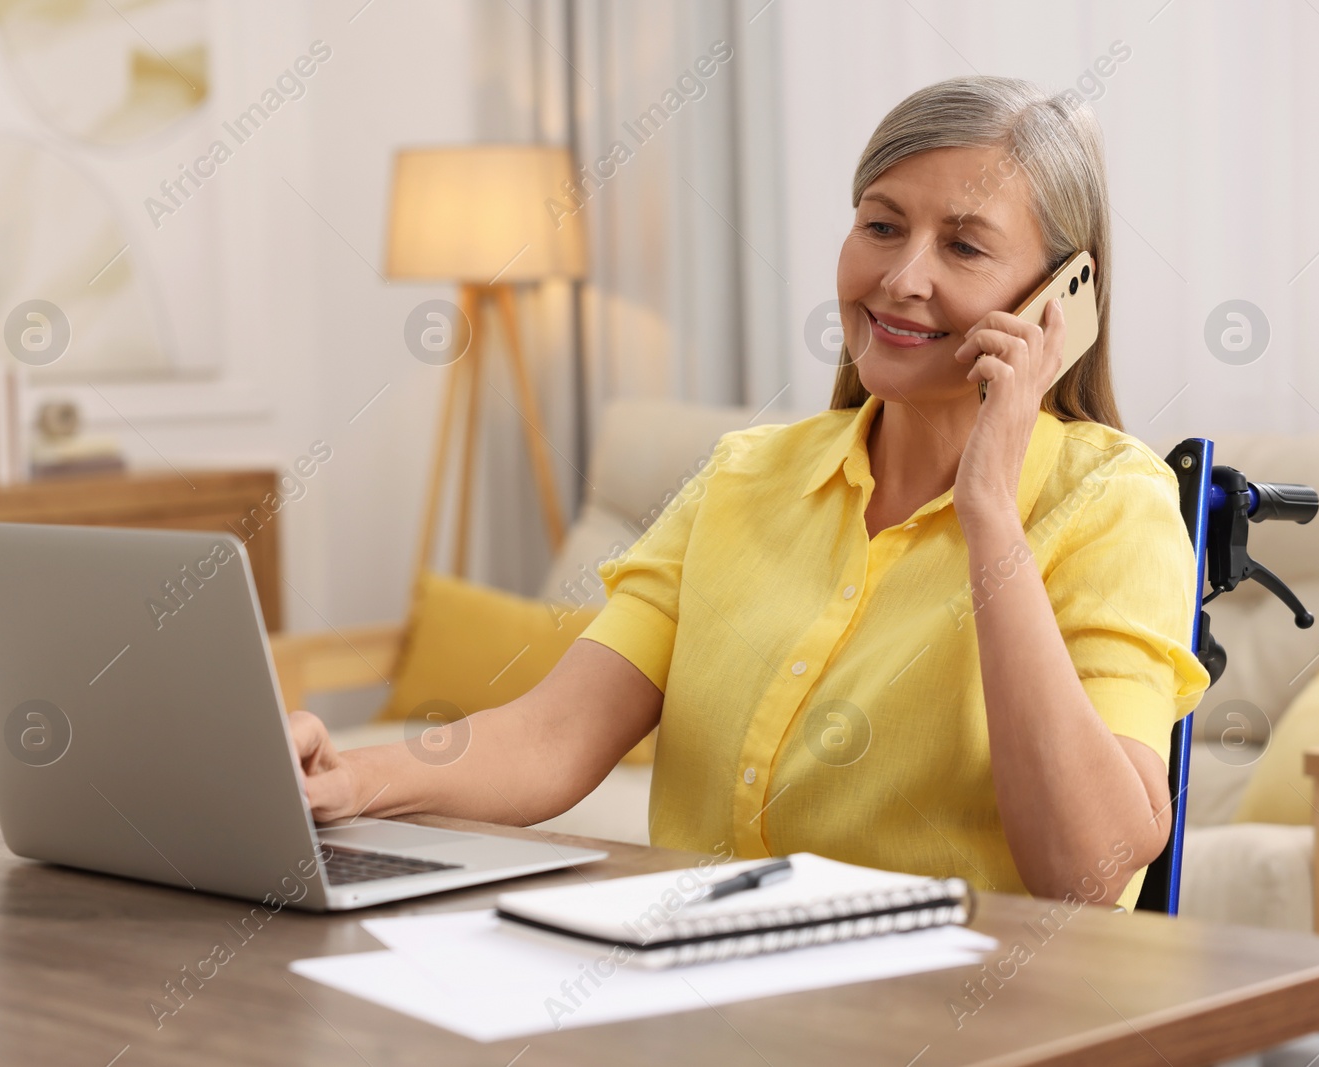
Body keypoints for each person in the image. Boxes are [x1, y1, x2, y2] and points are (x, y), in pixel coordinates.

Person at [289, 75, 1210, 909]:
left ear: (1061, 298)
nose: (902, 277)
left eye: (964, 246)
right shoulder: (742, 477)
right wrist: (347, 779)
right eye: (881, 225)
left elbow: (1086, 871)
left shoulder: (1113, 506)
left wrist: (990, 515)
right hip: (704, 993)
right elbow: (556, 737)